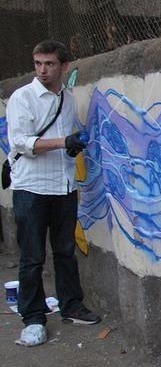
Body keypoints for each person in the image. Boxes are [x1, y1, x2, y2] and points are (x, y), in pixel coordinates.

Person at [6, 40, 100, 347]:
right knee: (32, 256)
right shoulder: (23, 98)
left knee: (65, 251)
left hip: (64, 185)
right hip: (31, 188)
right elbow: (22, 142)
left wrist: (72, 147)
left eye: (49, 64)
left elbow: (63, 139)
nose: (43, 70)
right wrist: (63, 142)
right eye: (38, 64)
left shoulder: (67, 99)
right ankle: (33, 318)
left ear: (64, 66)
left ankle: (71, 305)